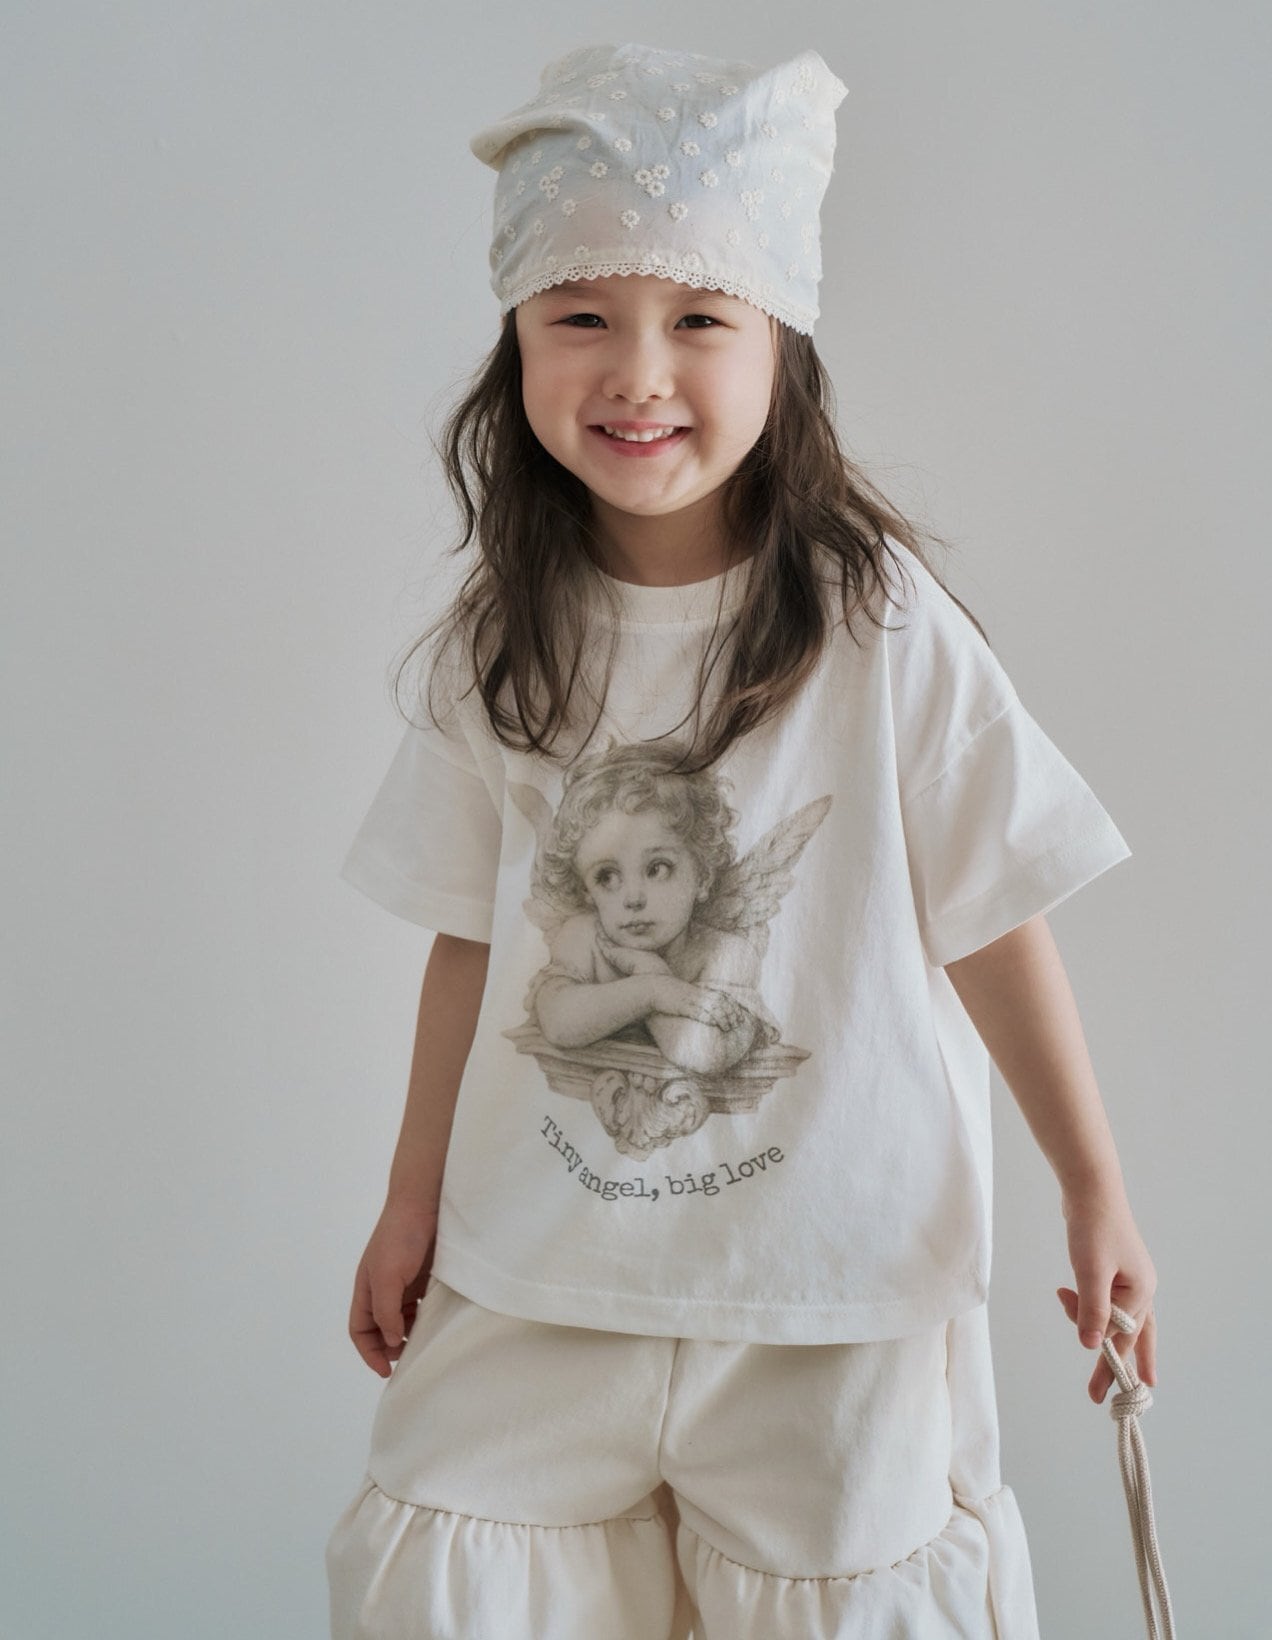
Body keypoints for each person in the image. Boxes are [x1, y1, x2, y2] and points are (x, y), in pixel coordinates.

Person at [325, 40, 1159, 1640]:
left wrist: (1095, 1185)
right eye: (581, 317)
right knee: (460, 1581)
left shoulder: (878, 627)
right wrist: (412, 1195)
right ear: (514, 341)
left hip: (826, 1288)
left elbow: (994, 915)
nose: (637, 374)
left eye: (700, 319)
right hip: (538, 1267)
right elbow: (470, 936)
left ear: (784, 342)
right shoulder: (502, 643)